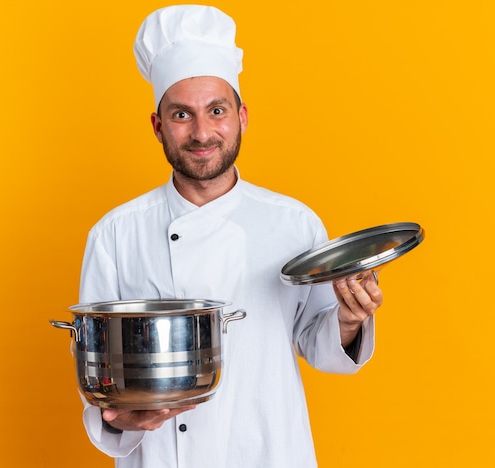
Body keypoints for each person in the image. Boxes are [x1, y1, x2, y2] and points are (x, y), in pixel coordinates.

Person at [77, 5, 382, 467]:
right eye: (182, 114)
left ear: (241, 116)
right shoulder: (115, 234)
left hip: (269, 450)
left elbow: (319, 345)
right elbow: (100, 379)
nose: (202, 132)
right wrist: (121, 419)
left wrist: (349, 319)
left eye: (216, 110)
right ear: (158, 127)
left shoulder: (294, 223)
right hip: (160, 457)